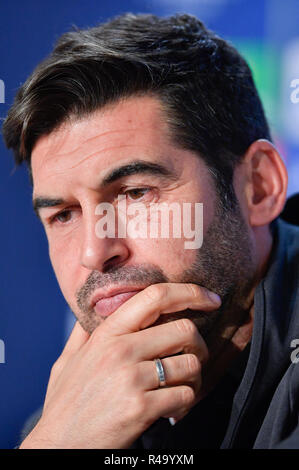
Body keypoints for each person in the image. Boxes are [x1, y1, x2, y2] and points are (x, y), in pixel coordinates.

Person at [2, 13, 299, 449]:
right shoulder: (75, 418)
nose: (95, 251)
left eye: (135, 193)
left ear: (257, 187)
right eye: (63, 214)